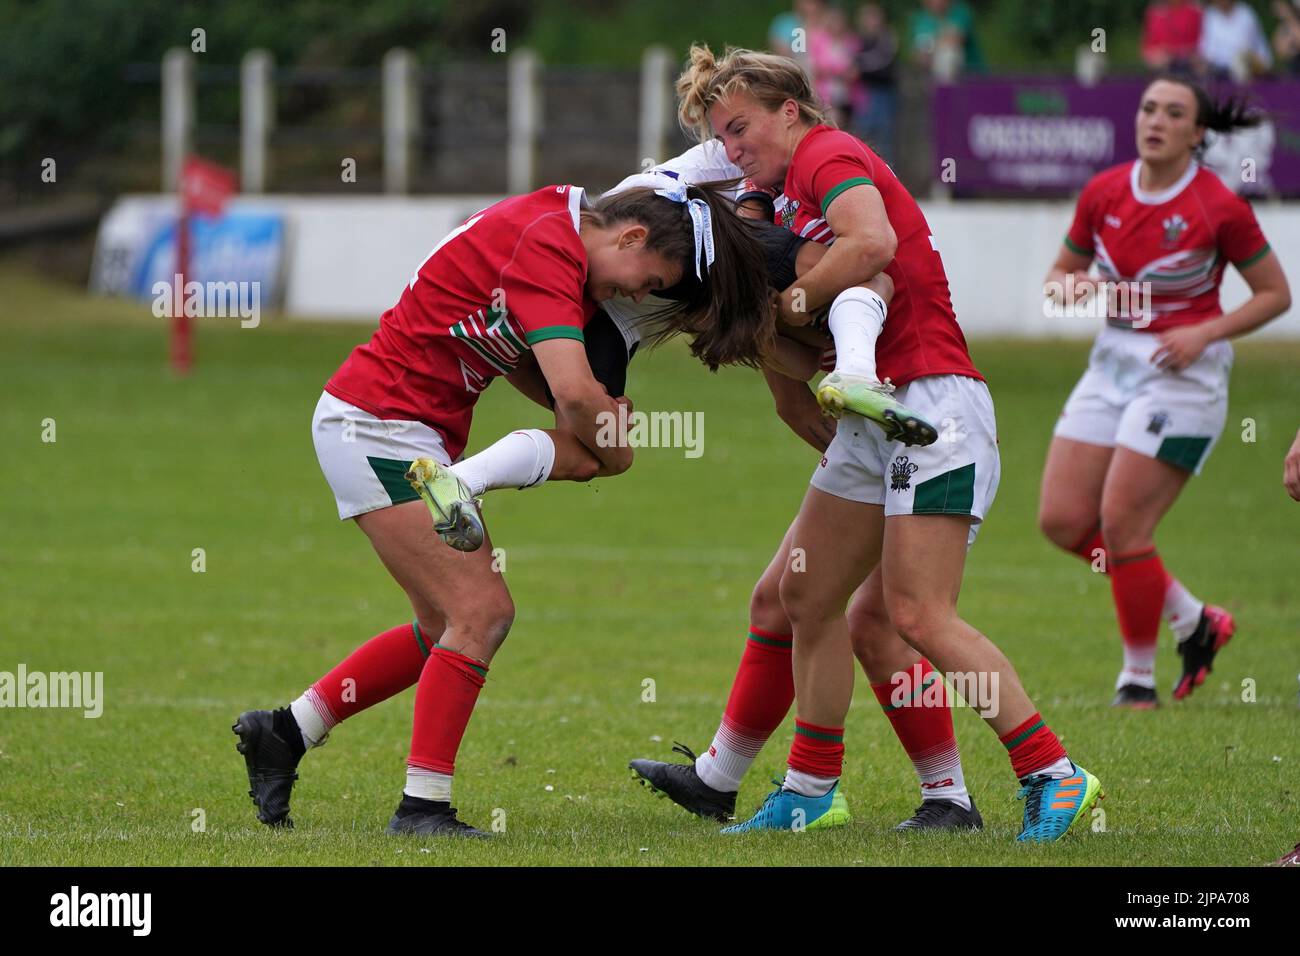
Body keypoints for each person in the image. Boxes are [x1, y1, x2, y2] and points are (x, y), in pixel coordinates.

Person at [421, 142, 985, 833]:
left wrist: (754, 193)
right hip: (729, 296)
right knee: (804, 594)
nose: (642, 287)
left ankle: (833, 786)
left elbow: (736, 148)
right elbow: (737, 149)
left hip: (776, 323)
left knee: (828, 602)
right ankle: (839, 787)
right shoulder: (636, 230)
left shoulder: (639, 217)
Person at [231, 179, 774, 837]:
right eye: (648, 280)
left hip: (392, 425)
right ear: (630, 236)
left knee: (442, 626)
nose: (638, 296)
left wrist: (594, 424)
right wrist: (610, 436)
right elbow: (573, 393)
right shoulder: (551, 244)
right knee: (481, 614)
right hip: (377, 427)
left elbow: (514, 356)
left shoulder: (550, 225)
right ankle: (422, 809)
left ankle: (286, 731)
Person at [659, 44, 1101, 843]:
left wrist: (791, 299)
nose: (732, 150)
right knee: (809, 599)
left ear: (789, 111)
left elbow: (871, 246)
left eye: (740, 128)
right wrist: (749, 325)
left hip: (930, 401)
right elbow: (799, 345)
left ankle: (1054, 774)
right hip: (869, 414)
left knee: (917, 613)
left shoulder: (830, 152)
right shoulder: (780, 199)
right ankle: (814, 787)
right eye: (721, 138)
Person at [1039, 75, 1290, 709]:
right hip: (1113, 364)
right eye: (1149, 107)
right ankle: (1193, 618)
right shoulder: (1103, 191)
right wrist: (1067, 288)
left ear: (1198, 133)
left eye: (1175, 113)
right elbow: (1061, 274)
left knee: (1123, 526)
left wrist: (1204, 332)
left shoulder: (1218, 206)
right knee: (1064, 519)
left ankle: (1137, 681)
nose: (1156, 120)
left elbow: (1275, 295)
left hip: (1185, 378)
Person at [851, 3, 900, 165]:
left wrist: (859, 67)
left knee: (884, 139)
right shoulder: (858, 40)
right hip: (864, 94)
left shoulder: (887, 38)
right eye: (867, 17)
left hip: (884, 93)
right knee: (863, 136)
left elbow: (882, 61)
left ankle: (888, 175)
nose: (870, 21)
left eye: (874, 17)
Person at [1198, 0, 1273, 81]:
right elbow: (1207, 49)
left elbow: (1246, 47)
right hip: (1218, 71)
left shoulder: (1246, 14)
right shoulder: (1210, 16)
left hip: (1249, 70)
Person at [1142, 0, 1204, 74]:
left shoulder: (1195, 10)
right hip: (1164, 61)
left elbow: (1202, 42)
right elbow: (1148, 48)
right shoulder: (1155, 12)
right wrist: (1158, 53)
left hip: (1189, 59)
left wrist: (1182, 52)